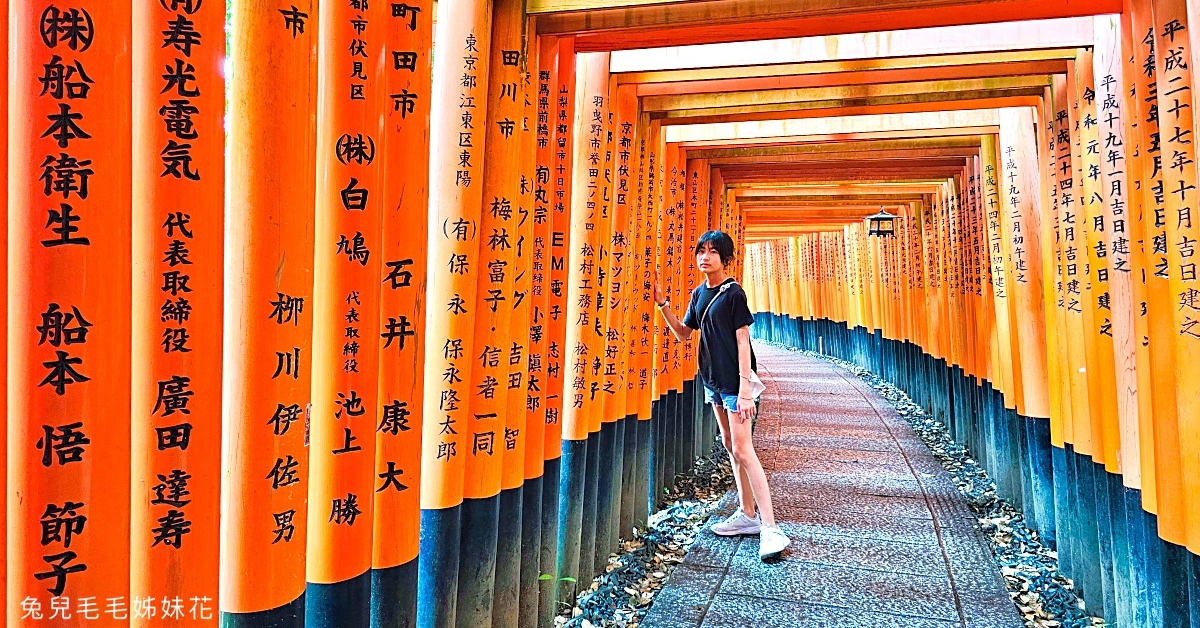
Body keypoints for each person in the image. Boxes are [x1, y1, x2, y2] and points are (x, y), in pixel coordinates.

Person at [654, 230, 790, 561]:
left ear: (725, 258)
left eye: (713, 252)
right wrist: (662, 304)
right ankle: (746, 515)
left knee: (745, 450)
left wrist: (745, 390)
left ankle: (770, 528)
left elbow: (743, 342)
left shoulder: (733, 293)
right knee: (731, 446)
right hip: (712, 381)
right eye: (701, 251)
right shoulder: (699, 294)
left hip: (734, 384)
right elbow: (685, 333)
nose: (705, 257)